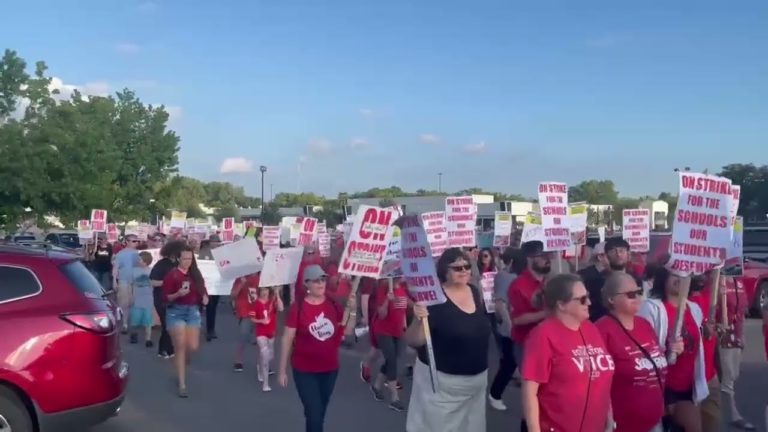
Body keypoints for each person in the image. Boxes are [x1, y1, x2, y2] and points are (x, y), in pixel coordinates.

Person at [405, 248, 492, 432]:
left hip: (475, 385)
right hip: (444, 388)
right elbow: (414, 340)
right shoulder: (432, 298)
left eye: (467, 266)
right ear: (445, 270)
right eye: (457, 268)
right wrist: (419, 320)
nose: (464, 271)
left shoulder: (474, 291)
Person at [521, 273, 616, 432]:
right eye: (582, 299)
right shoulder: (542, 335)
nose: (590, 303)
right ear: (561, 305)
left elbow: (602, 377)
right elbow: (530, 392)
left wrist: (609, 418)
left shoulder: (591, 328)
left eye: (589, 296)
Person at [278, 265, 356, 432]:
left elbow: (347, 330)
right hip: (304, 370)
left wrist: (353, 310)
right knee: (315, 415)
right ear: (307, 284)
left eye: (323, 279)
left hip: (329, 369)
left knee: (318, 411)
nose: (321, 284)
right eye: (316, 280)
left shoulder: (333, 304)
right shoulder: (298, 307)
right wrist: (282, 370)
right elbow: (287, 338)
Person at [596, 272, 676, 432]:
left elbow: (654, 363)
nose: (638, 297)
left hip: (654, 420)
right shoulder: (601, 331)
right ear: (612, 299)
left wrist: (672, 352)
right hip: (623, 424)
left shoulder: (644, 324)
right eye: (631, 295)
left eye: (639, 292)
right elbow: (598, 384)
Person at [639, 267, 709, 431]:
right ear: (664, 278)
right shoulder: (651, 308)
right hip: (663, 387)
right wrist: (666, 349)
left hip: (689, 387)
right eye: (675, 275)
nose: (681, 279)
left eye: (686, 275)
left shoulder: (694, 309)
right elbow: (641, 349)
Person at [162, 246, 209, 398]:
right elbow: (165, 297)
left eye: (190, 258)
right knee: (180, 346)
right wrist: (178, 294)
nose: (188, 261)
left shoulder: (195, 273)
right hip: (176, 311)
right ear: (178, 259)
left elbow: (202, 288)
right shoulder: (172, 275)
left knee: (193, 346)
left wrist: (205, 296)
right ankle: (182, 384)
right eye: (185, 259)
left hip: (193, 311)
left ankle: (184, 359)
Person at [488, 247, 525, 410]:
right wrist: (510, 327)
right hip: (511, 327)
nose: (501, 262)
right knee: (509, 362)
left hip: (519, 325)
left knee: (512, 361)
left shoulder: (517, 276)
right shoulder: (505, 277)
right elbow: (500, 304)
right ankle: (495, 393)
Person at [717, 276, 755, 430]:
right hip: (723, 336)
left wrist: (742, 336)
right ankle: (733, 415)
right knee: (728, 379)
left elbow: (743, 311)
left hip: (737, 337)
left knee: (733, 375)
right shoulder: (715, 281)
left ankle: (719, 408)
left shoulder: (738, 282)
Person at [370, 277, 409, 412]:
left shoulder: (403, 287)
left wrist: (404, 327)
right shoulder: (383, 288)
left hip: (398, 331)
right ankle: (394, 398)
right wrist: (388, 299)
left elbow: (402, 311)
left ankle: (377, 385)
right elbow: (381, 314)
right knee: (392, 361)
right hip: (383, 331)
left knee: (392, 359)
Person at [579, 237, 642, 322]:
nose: (618, 254)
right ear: (606, 255)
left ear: (628, 254)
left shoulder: (636, 280)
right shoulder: (594, 282)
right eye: (613, 251)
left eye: (621, 251)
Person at [150, 240, 185, 359]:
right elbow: (152, 282)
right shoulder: (161, 264)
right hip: (161, 298)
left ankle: (167, 349)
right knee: (167, 323)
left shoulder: (180, 265)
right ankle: (165, 349)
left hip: (176, 298)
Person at [230, 271, 262, 373]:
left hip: (260, 312)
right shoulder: (241, 277)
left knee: (262, 339)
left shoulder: (263, 278)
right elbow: (233, 294)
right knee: (243, 337)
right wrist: (242, 283)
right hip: (246, 313)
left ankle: (262, 363)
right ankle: (238, 360)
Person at [254, 285, 283, 392]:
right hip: (261, 333)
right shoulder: (257, 303)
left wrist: (277, 294)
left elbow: (281, 308)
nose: (264, 292)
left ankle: (260, 366)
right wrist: (261, 321)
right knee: (265, 355)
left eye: (265, 290)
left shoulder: (272, 302)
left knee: (270, 356)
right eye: (262, 290)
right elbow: (252, 318)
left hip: (271, 332)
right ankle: (265, 384)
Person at [114, 234, 141, 332]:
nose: (136, 243)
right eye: (134, 241)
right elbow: (116, 268)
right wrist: (114, 281)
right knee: (123, 304)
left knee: (133, 304)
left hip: (135, 282)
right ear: (127, 242)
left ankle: (132, 324)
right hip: (123, 281)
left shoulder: (139, 253)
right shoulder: (120, 254)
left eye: (137, 241)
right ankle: (124, 324)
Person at [129, 251, 155, 347]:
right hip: (137, 297)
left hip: (148, 298)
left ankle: (148, 338)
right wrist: (131, 295)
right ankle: (134, 334)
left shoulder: (152, 271)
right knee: (135, 318)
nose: (138, 261)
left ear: (146, 261)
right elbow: (131, 284)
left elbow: (154, 284)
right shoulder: (134, 270)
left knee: (148, 319)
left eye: (140, 259)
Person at [198, 235, 222, 341]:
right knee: (205, 306)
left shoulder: (222, 252)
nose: (216, 243)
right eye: (214, 242)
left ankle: (210, 329)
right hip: (205, 284)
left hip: (217, 284)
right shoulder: (203, 252)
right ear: (210, 242)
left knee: (213, 307)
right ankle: (204, 329)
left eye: (217, 242)